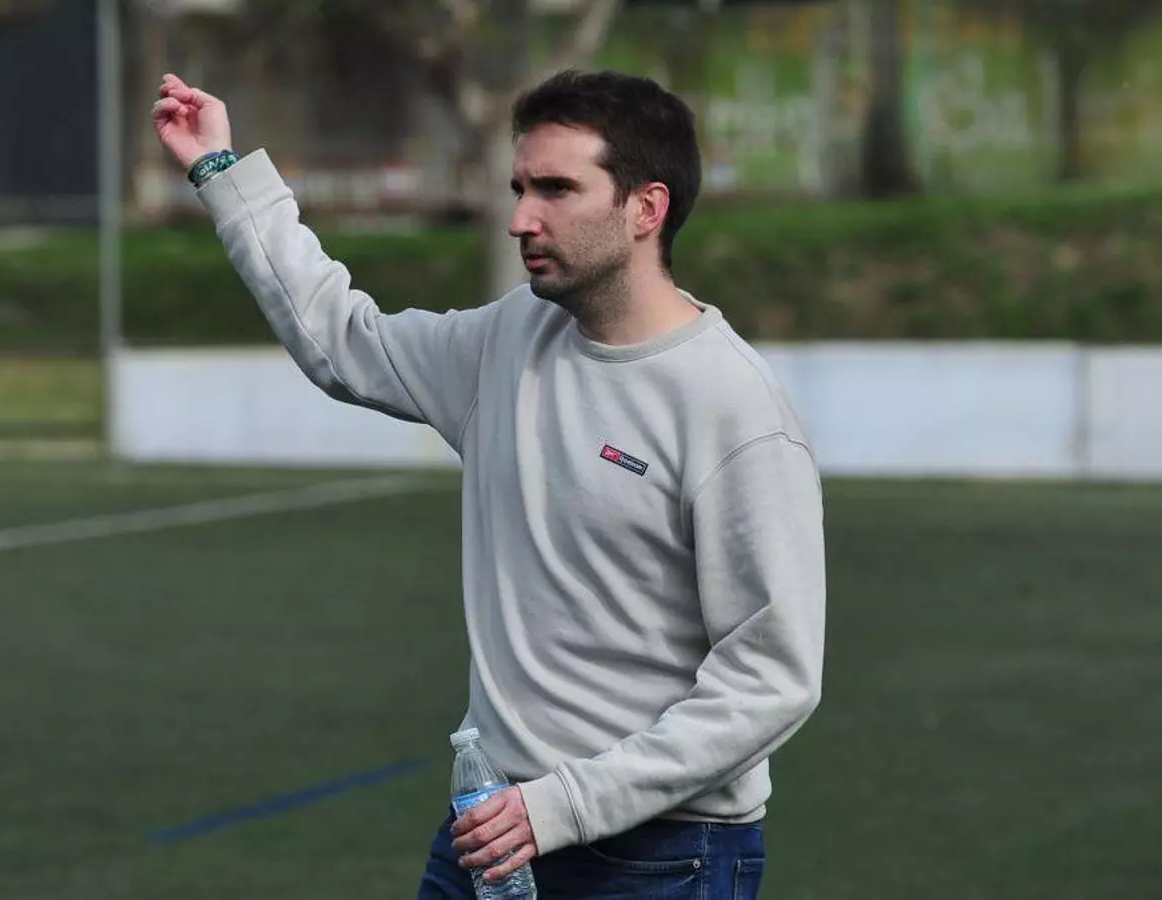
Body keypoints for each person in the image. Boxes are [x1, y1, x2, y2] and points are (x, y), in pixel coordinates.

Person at [152, 67, 826, 899]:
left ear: (646, 208)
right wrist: (221, 172)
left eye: (556, 189)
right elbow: (343, 340)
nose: (521, 219)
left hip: (662, 857)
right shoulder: (507, 340)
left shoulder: (735, 408)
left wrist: (566, 805)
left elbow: (771, 679)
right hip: (492, 829)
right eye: (519, 188)